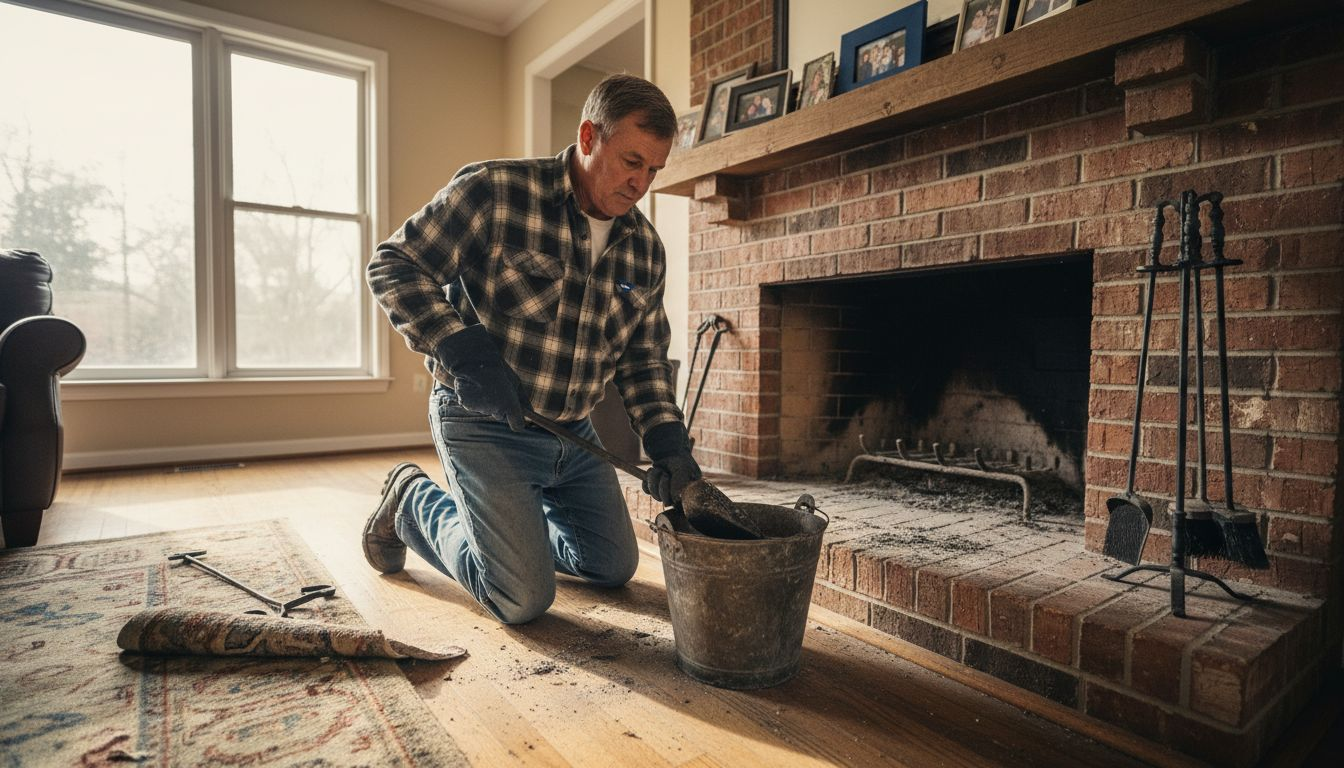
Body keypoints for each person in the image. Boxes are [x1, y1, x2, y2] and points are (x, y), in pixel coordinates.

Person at [363, 74, 699, 625]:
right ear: (589, 136)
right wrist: (463, 351)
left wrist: (668, 444)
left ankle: (508, 529)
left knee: (611, 566)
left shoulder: (644, 250)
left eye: (654, 171)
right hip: (483, 422)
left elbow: (644, 361)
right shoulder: (494, 192)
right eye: (631, 161)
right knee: (521, 598)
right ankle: (412, 500)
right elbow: (394, 265)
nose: (641, 183)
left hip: (575, 433)